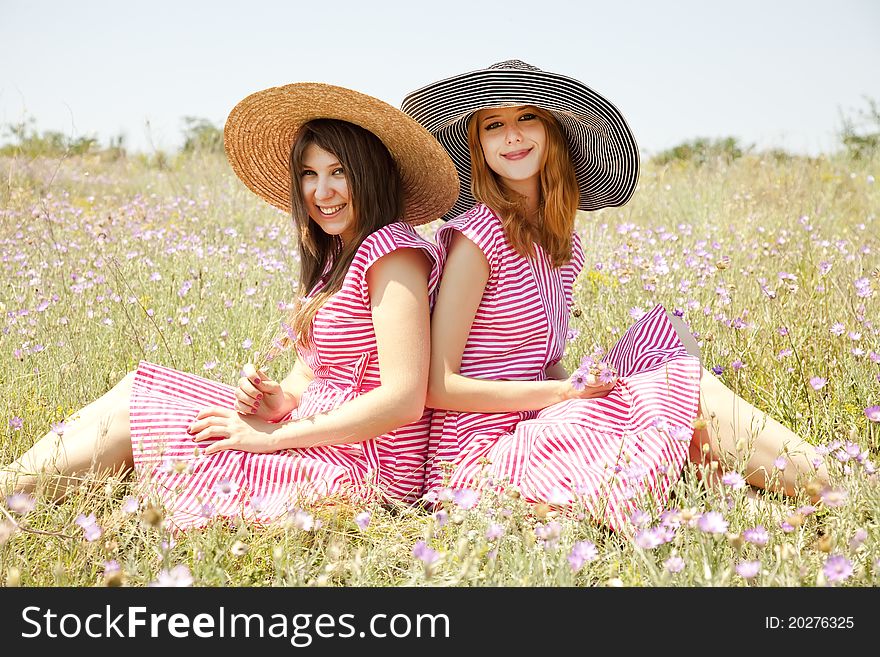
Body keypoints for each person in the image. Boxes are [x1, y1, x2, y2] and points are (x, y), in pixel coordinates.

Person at [0, 83, 459, 531]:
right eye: (308, 174)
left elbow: (403, 400)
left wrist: (272, 437)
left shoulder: (393, 255)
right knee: (135, 388)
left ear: (371, 174)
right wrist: (279, 399)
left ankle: (11, 499)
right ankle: (8, 492)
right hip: (318, 430)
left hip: (365, 462)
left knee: (130, 423)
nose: (322, 191)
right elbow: (312, 371)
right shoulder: (342, 253)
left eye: (338, 171)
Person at [401, 60, 829, 531]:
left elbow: (540, 361)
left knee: (666, 346)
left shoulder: (563, 243)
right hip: (478, 450)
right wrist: (568, 392)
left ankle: (772, 494)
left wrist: (578, 388)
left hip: (533, 414)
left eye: (527, 118)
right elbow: (438, 386)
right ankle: (832, 482)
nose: (512, 136)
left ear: (552, 135)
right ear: (478, 146)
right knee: (677, 389)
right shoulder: (475, 238)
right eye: (494, 125)